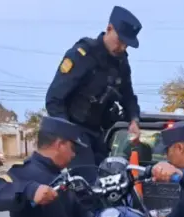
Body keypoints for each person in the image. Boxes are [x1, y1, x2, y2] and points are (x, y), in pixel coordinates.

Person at [45, 6, 142, 183]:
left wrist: (134, 120)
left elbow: (128, 96)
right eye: (120, 40)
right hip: (75, 132)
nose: (122, 47)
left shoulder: (121, 63)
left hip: (99, 134)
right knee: (87, 185)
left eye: (126, 44)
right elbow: (54, 99)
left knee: (111, 180)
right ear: (109, 28)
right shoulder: (82, 54)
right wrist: (68, 136)